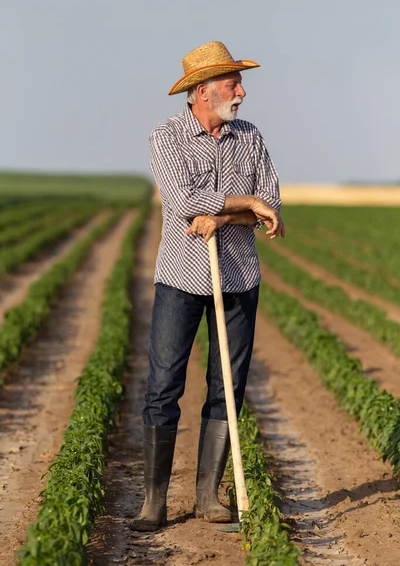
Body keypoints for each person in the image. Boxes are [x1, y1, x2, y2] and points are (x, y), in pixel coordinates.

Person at [131, 41, 284, 531]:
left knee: (228, 387)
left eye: (239, 84)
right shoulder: (167, 135)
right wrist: (246, 206)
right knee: (163, 387)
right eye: (231, 84)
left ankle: (208, 496)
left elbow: (272, 201)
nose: (241, 92)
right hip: (181, 279)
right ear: (201, 92)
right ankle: (154, 501)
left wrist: (226, 213)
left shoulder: (251, 136)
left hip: (239, 277)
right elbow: (181, 202)